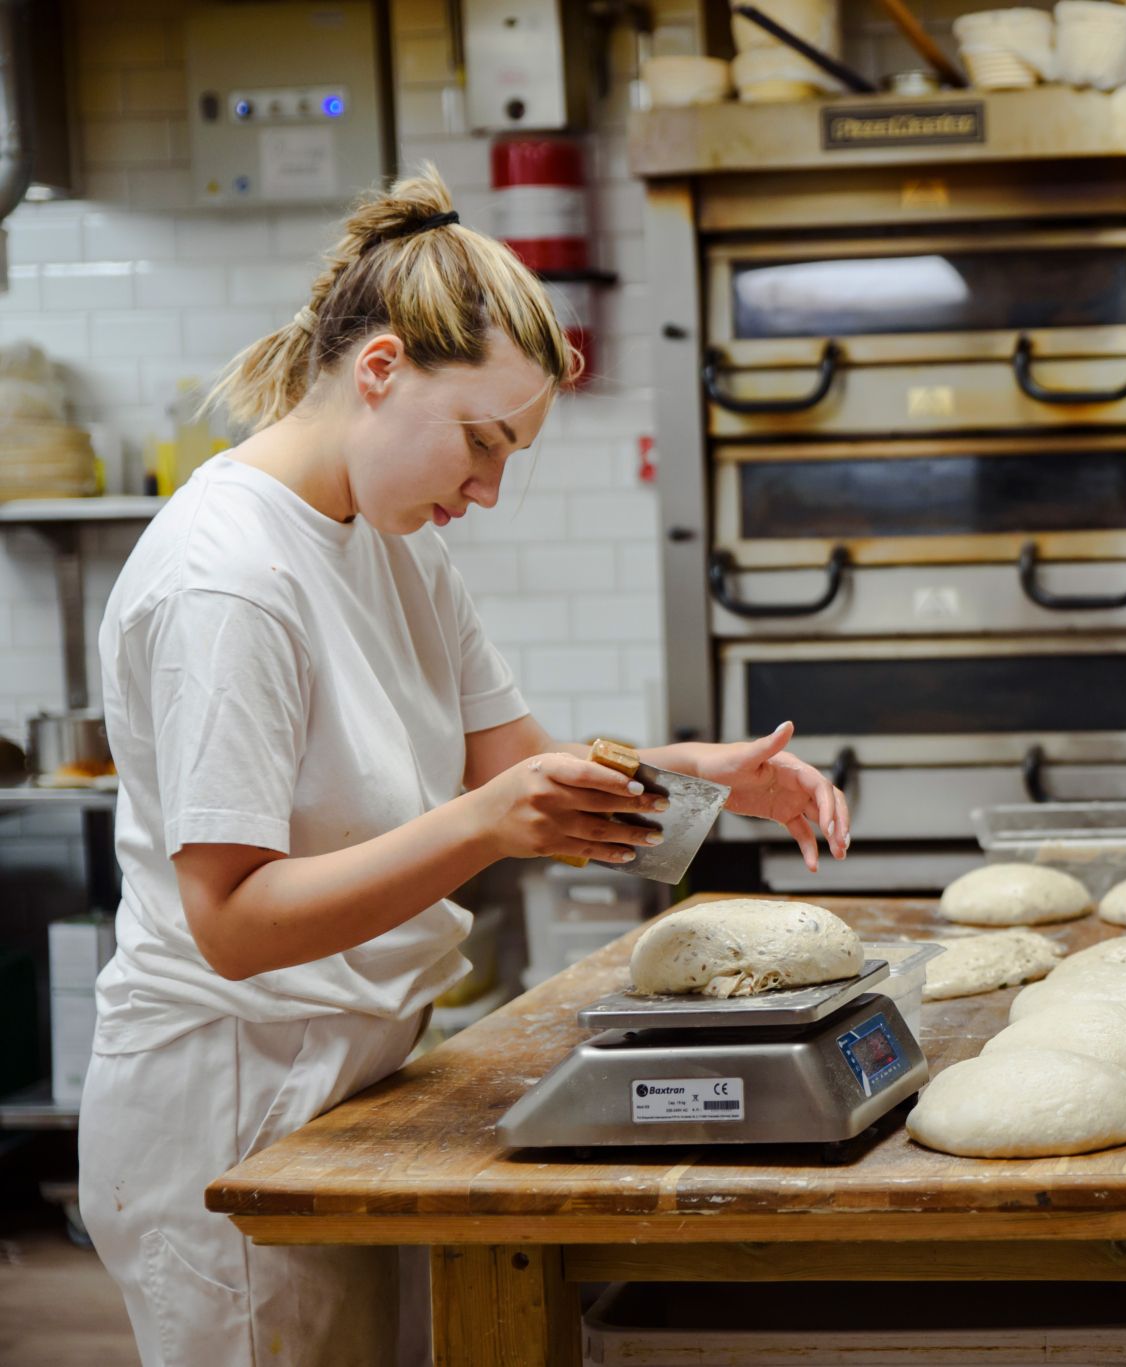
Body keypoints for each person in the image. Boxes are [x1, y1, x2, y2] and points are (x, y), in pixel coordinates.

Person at [76, 166, 851, 1366]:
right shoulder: (228, 580)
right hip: (230, 1095)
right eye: (481, 444)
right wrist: (486, 823)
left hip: (360, 1069)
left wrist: (694, 780)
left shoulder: (396, 545)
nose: (485, 490)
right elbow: (230, 917)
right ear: (379, 370)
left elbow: (521, 770)